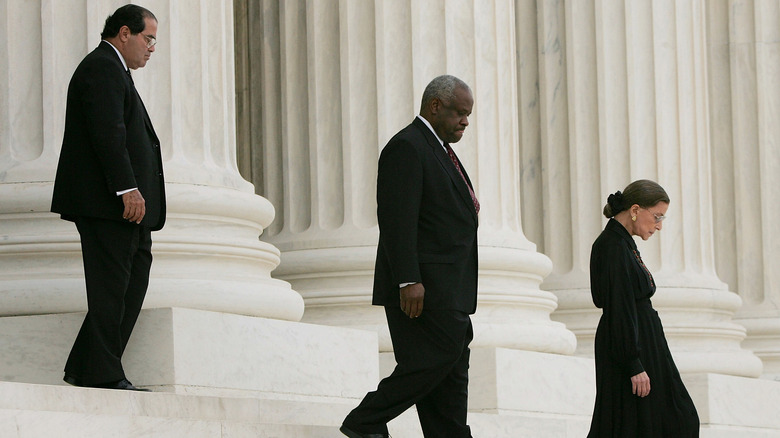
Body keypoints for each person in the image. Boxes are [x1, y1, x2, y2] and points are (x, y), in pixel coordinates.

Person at [340, 75, 479, 438]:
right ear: (435, 106)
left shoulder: (439, 150)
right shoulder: (407, 147)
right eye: (460, 113)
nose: (465, 121)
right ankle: (365, 420)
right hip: (423, 289)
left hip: (450, 289)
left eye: (468, 115)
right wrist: (407, 279)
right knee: (433, 362)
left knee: (450, 374)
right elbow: (397, 220)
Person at [51, 4, 165, 391]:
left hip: (124, 209)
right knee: (111, 290)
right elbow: (108, 134)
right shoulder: (102, 67)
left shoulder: (116, 71)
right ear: (124, 33)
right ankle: (103, 374)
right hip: (108, 205)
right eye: (148, 38)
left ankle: (87, 368)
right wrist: (127, 188)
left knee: (130, 284)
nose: (151, 48)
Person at [588, 180, 699, 437]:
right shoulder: (612, 246)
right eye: (657, 216)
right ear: (636, 209)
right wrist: (633, 363)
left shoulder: (623, 243)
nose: (659, 226)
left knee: (664, 420)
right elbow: (618, 306)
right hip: (632, 346)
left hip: (642, 341)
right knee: (650, 421)